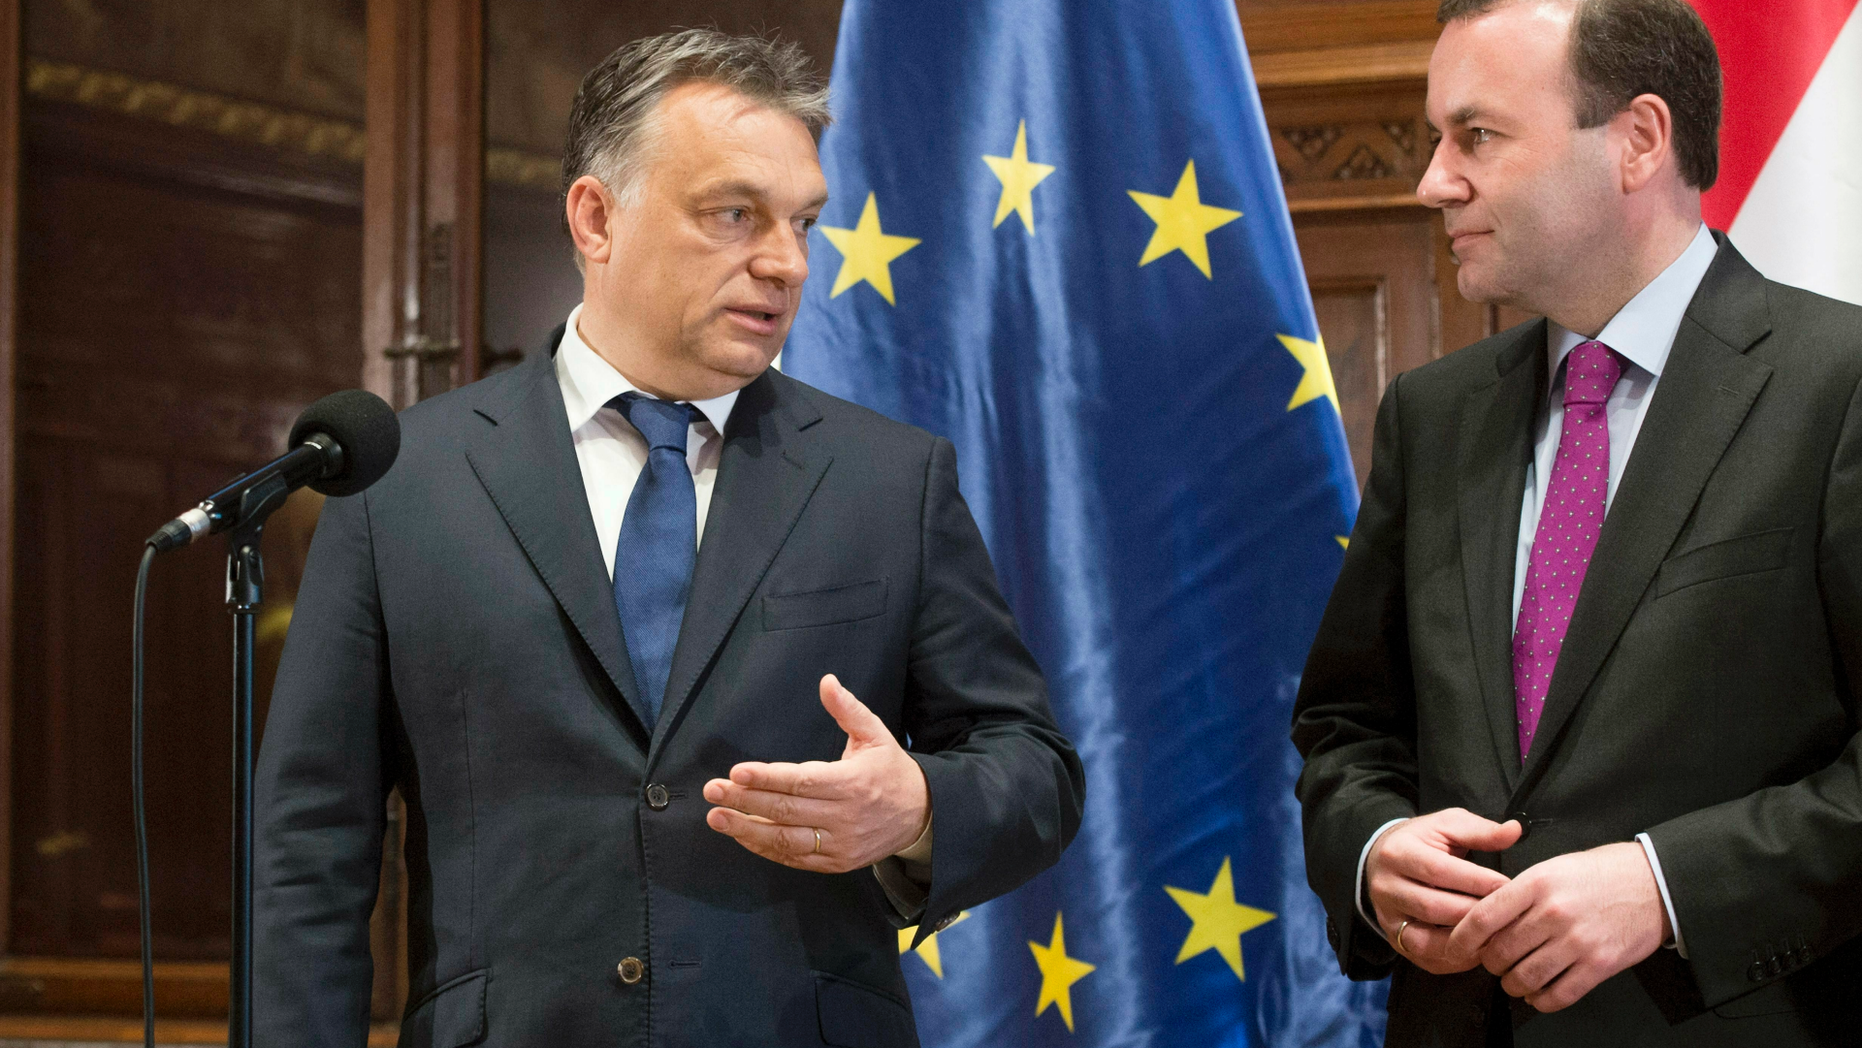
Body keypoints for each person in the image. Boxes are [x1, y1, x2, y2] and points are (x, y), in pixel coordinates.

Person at [254, 29, 1083, 1047]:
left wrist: (917, 809)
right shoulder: (400, 484)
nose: (784, 262)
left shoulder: (887, 480)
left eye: (803, 223)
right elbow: (309, 844)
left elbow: (1034, 768)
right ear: (596, 218)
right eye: (734, 214)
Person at [1292, 1, 1862, 1044]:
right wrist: (1376, 853)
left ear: (1637, 140)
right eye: (1434, 139)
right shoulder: (1432, 415)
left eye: (1475, 135)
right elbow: (1345, 731)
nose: (1431, 179)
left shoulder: (1837, 385)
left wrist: (1667, 885)